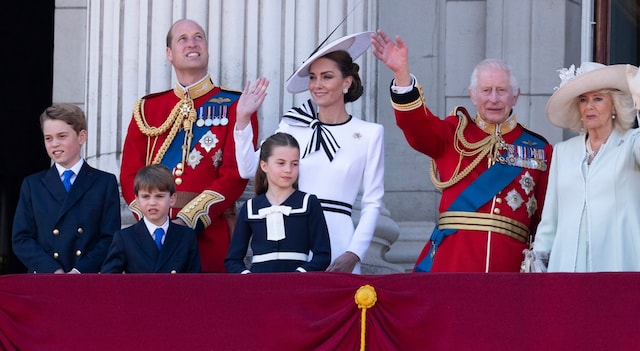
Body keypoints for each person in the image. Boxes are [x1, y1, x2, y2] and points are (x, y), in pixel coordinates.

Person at [371, 30, 553, 272]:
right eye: (486, 90)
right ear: (473, 96)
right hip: (452, 263)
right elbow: (416, 126)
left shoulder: (540, 150)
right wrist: (402, 75)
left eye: (502, 90)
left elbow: (546, 220)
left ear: (515, 95)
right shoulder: (453, 134)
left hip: (510, 268)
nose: (494, 99)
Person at [119, 19, 268, 272]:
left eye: (199, 37)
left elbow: (234, 174)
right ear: (169, 53)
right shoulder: (147, 108)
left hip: (208, 236)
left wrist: (188, 219)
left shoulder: (236, 105)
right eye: (183, 39)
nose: (192, 44)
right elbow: (129, 175)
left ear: (207, 48)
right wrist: (153, 220)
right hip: (153, 235)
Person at [234, 31, 384, 274]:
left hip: (339, 238)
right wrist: (242, 120)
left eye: (327, 77)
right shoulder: (293, 125)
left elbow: (373, 202)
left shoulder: (369, 133)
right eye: (313, 77)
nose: (317, 85)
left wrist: (354, 252)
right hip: (292, 232)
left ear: (346, 82)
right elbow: (248, 169)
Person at [529, 62, 640, 272]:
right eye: (583, 100)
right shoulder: (563, 152)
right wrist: (539, 265)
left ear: (614, 105)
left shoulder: (632, 143)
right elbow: (550, 220)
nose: (589, 106)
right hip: (567, 267)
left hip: (619, 265)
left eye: (598, 98)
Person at [12, 103, 121, 273]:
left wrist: (79, 270)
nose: (54, 143)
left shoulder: (104, 183)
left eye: (62, 136)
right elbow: (21, 239)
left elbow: (109, 238)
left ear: (81, 136)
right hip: (45, 279)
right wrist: (52, 269)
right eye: (48, 138)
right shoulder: (32, 185)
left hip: (86, 278)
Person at [225, 133, 331, 273]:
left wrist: (299, 275)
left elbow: (323, 255)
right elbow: (233, 260)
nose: (288, 170)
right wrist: (248, 278)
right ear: (264, 166)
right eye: (281, 163)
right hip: (260, 288)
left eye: (294, 164)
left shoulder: (309, 203)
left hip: (297, 287)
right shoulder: (250, 208)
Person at [101, 164, 201, 273]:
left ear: (172, 199)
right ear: (137, 200)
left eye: (159, 196)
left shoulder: (186, 236)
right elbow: (109, 282)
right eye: (145, 197)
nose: (152, 203)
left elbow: (194, 282)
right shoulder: (124, 238)